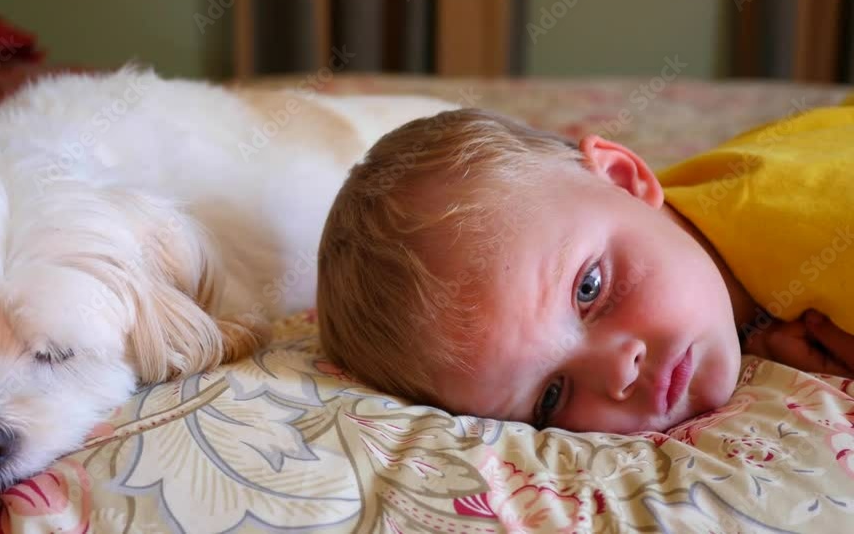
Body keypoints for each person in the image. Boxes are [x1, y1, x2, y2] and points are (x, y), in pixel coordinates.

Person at [316, 101, 854, 434]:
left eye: (589, 289)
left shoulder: (832, 229)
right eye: (551, 396)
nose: (619, 374)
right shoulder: (628, 219)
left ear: (624, 177)